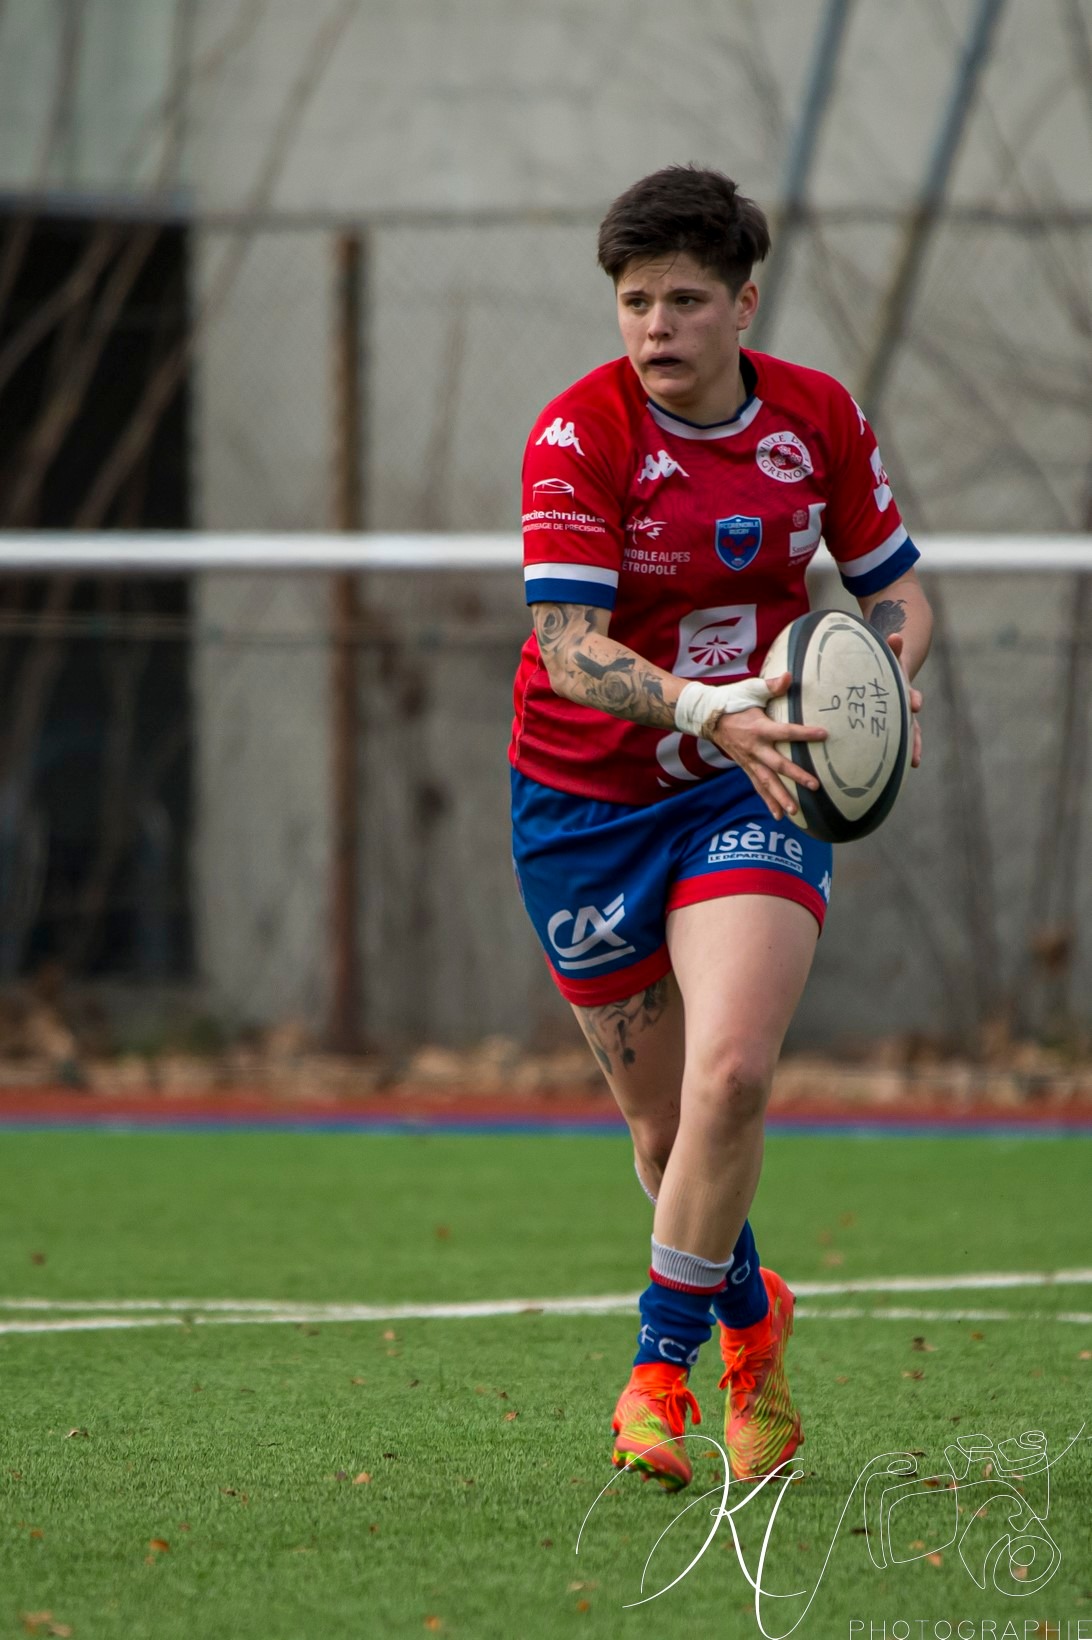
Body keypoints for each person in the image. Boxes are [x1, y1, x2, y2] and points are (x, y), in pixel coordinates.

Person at [508, 165, 932, 1490]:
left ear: (743, 300)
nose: (655, 327)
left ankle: (660, 1373)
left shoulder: (819, 420)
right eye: (635, 301)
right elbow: (569, 650)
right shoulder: (579, 438)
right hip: (584, 804)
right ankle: (756, 1318)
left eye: (686, 299)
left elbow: (899, 591)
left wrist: (890, 691)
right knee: (661, 1134)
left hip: (756, 785)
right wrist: (704, 705)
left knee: (732, 1076)